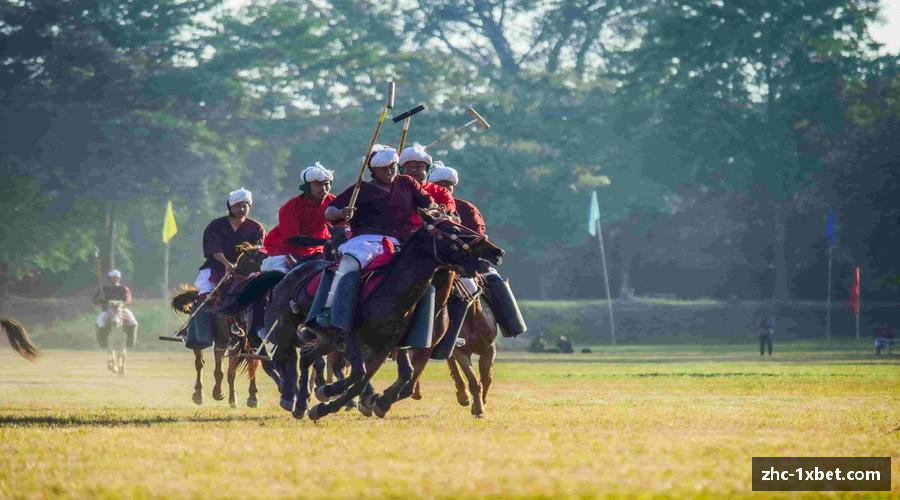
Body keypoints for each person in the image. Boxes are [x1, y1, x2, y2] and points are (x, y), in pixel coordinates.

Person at [308, 146, 435, 335]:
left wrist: (435, 211)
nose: (390, 171)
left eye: (392, 166)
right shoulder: (360, 189)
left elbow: (429, 204)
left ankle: (423, 330)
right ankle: (329, 307)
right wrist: (342, 212)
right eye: (384, 168)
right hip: (365, 242)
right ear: (373, 171)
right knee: (349, 263)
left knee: (426, 275)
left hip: (401, 242)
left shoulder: (407, 182)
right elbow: (329, 212)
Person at [427, 164, 527, 340]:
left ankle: (511, 324)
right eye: (441, 185)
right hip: (431, 261)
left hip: (463, 262)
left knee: (491, 279)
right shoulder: (423, 208)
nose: (446, 188)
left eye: (449, 185)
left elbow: (477, 239)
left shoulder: (466, 208)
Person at [261, 162, 335, 274]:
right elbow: (292, 239)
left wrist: (345, 215)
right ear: (307, 186)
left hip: (319, 250)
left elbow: (344, 226)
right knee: (277, 276)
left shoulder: (334, 202)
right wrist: (326, 241)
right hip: (285, 250)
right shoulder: (290, 207)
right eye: (318, 185)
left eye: (327, 184)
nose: (324, 188)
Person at [195, 187, 266, 296]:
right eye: (237, 206)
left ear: (249, 207)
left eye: (244, 206)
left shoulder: (257, 228)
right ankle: (201, 311)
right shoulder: (216, 225)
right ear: (230, 207)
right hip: (216, 267)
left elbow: (260, 250)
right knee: (205, 292)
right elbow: (214, 249)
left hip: (247, 271)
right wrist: (227, 264)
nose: (241, 209)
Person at [398, 145, 455, 233]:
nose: (413, 170)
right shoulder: (392, 188)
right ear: (402, 170)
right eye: (409, 167)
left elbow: (449, 212)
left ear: (427, 169)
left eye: (418, 167)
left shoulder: (441, 192)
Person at [94, 269, 138, 348]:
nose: (114, 279)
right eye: (112, 278)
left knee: (133, 322)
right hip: (107, 311)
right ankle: (102, 343)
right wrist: (100, 299)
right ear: (109, 278)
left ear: (119, 278)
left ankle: (130, 342)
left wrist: (122, 305)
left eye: (116, 278)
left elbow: (128, 299)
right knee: (99, 323)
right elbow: (95, 300)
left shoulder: (123, 288)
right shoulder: (104, 289)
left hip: (122, 310)